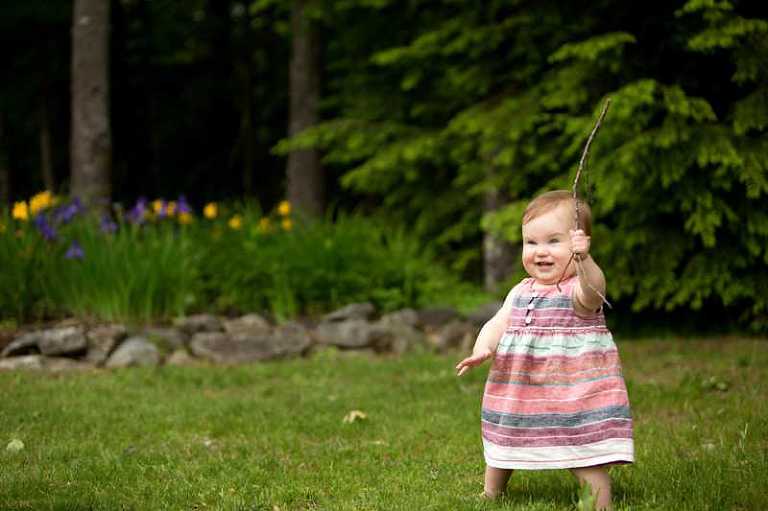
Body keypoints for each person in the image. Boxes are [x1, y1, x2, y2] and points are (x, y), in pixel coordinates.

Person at [456, 190, 633, 511]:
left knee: (584, 451)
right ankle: (492, 492)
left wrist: (585, 260)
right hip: (521, 391)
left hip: (573, 393)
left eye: (554, 241)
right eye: (531, 242)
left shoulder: (578, 290)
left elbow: (595, 293)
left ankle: (600, 503)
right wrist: (483, 348)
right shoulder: (521, 289)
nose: (540, 252)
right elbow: (497, 323)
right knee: (506, 439)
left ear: (580, 242)